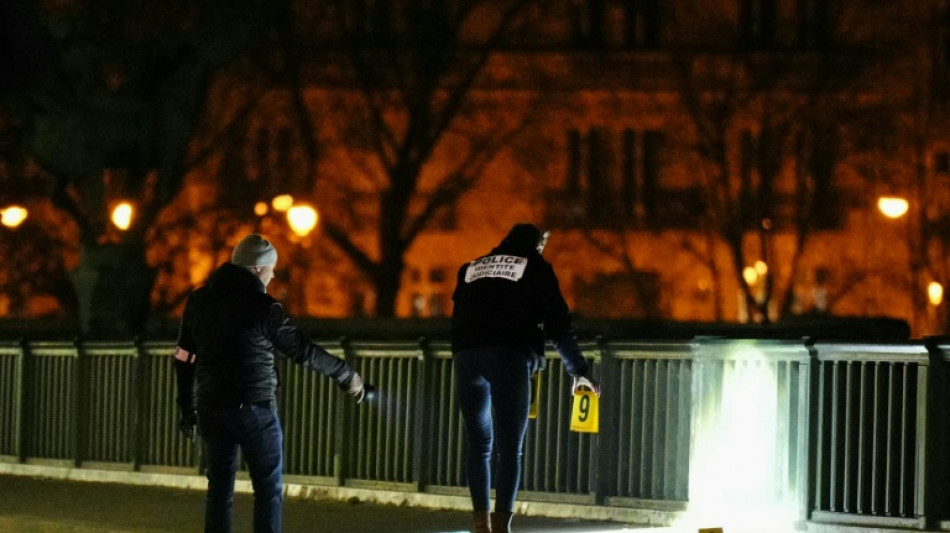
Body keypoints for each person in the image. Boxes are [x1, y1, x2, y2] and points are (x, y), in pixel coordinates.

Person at [173, 233, 366, 533]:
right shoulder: (263, 306)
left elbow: (184, 356)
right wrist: (345, 374)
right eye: (271, 267)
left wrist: (187, 405)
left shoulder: (199, 301)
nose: (274, 274)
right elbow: (301, 350)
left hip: (212, 408)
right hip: (255, 409)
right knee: (267, 490)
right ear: (256, 268)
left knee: (219, 491)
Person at [451, 223, 601, 533]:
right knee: (509, 449)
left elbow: (459, 314)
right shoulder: (536, 268)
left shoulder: (472, 267)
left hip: (466, 358)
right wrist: (580, 371)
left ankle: (480, 524)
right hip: (508, 356)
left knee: (478, 445)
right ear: (538, 244)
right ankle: (502, 525)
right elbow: (559, 327)